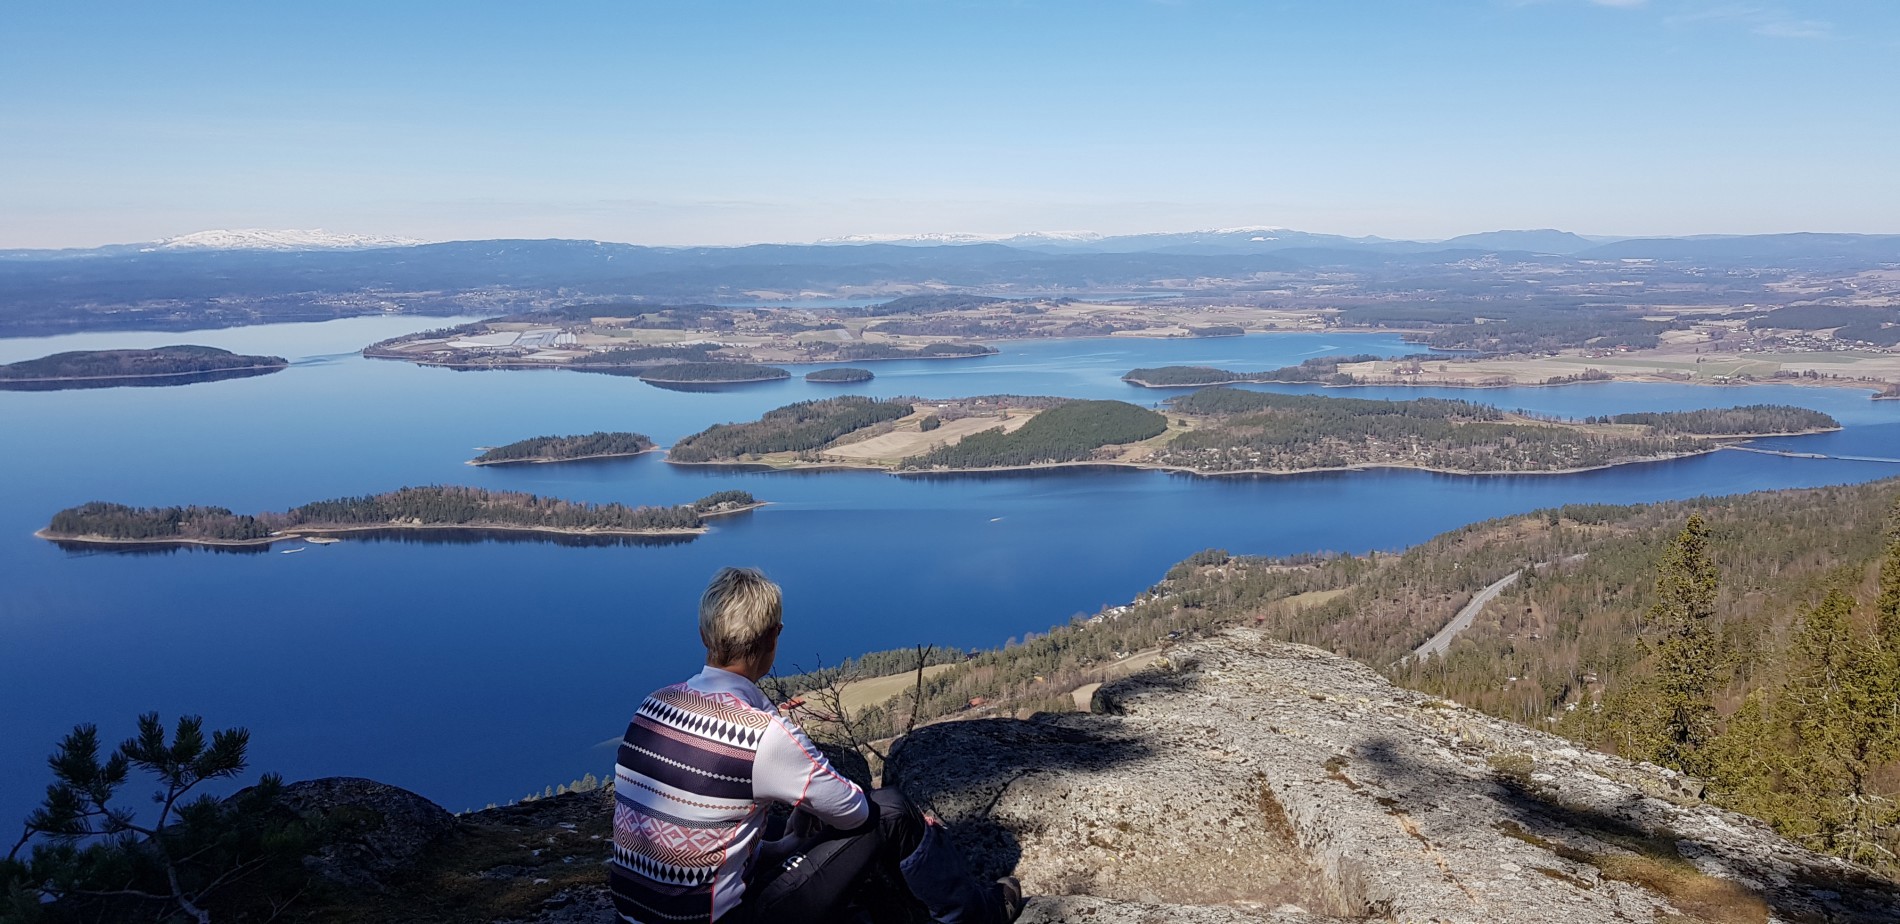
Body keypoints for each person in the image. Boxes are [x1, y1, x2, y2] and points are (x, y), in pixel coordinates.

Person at [610, 566, 1024, 924]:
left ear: (703, 634)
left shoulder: (651, 706)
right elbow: (855, 812)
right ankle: (978, 913)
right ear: (775, 637)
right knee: (893, 810)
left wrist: (786, 845)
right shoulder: (763, 735)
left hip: (634, 914)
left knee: (771, 818)